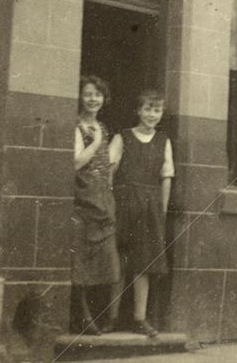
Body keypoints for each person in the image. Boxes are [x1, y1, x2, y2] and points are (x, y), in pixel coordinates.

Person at [109, 90, 174, 337]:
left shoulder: (163, 141)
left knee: (144, 264)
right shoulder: (122, 137)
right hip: (123, 203)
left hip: (150, 207)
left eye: (156, 110)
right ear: (138, 111)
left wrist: (162, 209)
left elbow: (166, 177)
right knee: (119, 261)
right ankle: (112, 318)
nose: (151, 114)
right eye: (147, 109)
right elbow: (110, 172)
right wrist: (109, 203)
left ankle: (139, 318)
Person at [72, 76, 120, 335]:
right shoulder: (78, 127)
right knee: (82, 261)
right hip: (83, 202)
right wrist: (99, 142)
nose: (93, 99)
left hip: (102, 202)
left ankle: (102, 316)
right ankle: (83, 315)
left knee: (104, 262)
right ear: (80, 97)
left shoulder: (102, 126)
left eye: (98, 95)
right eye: (88, 94)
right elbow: (77, 163)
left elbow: (106, 167)